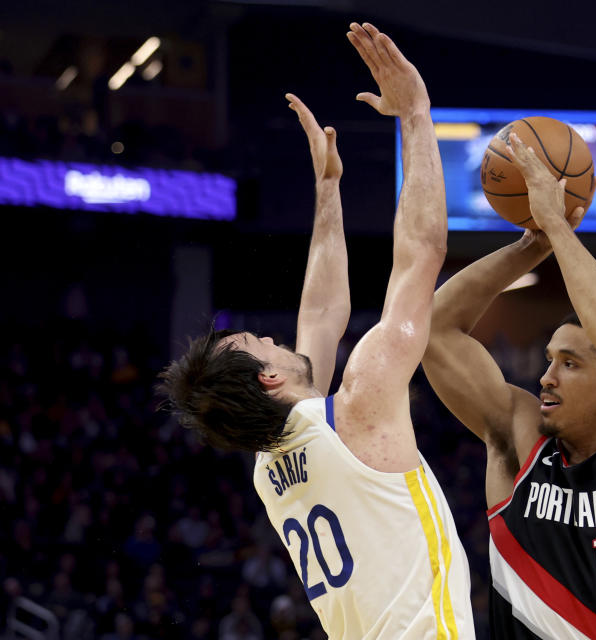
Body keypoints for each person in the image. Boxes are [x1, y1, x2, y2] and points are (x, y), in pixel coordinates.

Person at [159, 23, 474, 639]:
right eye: (264, 345)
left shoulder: (268, 464)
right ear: (269, 377)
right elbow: (422, 254)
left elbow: (321, 318)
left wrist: (327, 191)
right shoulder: (360, 406)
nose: (277, 340)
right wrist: (415, 114)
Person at [422, 132, 596, 639]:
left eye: (568, 364)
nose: (545, 378)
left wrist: (559, 227)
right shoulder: (519, 439)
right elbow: (435, 329)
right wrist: (533, 245)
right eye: (549, 360)